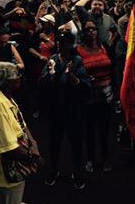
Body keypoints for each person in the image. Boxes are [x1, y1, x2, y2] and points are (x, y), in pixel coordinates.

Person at [40, 29, 91, 189]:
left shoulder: (76, 61)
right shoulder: (53, 60)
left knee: (76, 144)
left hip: (73, 111)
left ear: (70, 44)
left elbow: (86, 85)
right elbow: (42, 85)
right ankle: (54, 170)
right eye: (59, 42)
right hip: (56, 111)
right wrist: (48, 73)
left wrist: (73, 78)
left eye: (64, 43)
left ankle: (77, 172)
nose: (61, 45)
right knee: (54, 144)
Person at [0, 62, 30, 204]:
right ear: (8, 82)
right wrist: (33, 158)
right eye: (17, 75)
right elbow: (9, 149)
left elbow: (22, 125)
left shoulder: (5, 98)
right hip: (7, 172)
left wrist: (32, 143)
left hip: (16, 165)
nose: (20, 78)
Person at [77, 18, 116, 174]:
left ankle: (105, 158)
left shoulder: (104, 46)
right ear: (83, 32)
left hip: (105, 95)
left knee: (104, 130)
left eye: (93, 29)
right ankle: (91, 159)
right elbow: (75, 71)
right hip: (88, 97)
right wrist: (84, 77)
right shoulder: (78, 50)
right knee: (89, 130)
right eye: (87, 29)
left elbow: (112, 67)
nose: (91, 31)